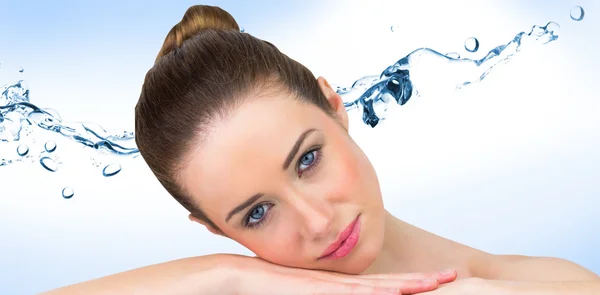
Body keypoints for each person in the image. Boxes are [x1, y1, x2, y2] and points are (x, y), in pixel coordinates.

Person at [42, 4, 599, 295]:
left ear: (335, 107)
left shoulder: (546, 283)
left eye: (307, 160)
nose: (316, 222)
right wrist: (223, 278)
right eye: (256, 214)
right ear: (216, 230)